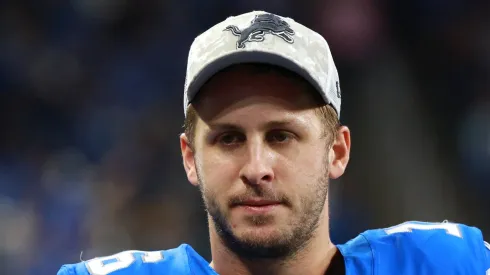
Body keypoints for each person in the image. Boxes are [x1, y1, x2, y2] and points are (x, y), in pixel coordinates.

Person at [57, 11, 490, 275]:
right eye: (228, 139)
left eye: (282, 135)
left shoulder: (444, 263)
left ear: (336, 151)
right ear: (190, 159)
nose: (257, 167)